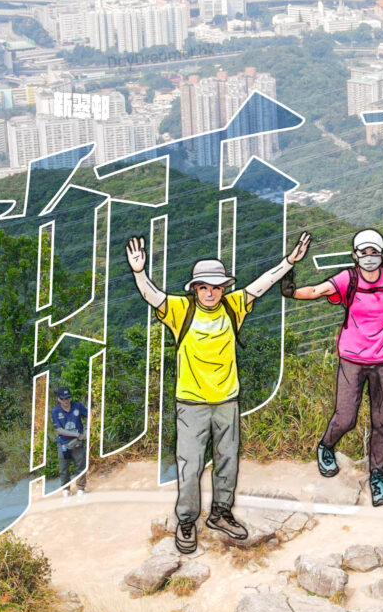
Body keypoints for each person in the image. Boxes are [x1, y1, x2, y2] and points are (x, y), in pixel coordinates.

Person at [127, 230, 311, 555]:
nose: (211, 293)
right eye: (204, 287)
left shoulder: (233, 305)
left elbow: (263, 283)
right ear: (194, 288)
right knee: (190, 466)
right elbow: (151, 296)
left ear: (223, 288)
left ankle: (221, 513)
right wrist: (139, 272)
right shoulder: (179, 310)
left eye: (216, 287)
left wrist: (289, 262)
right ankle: (187, 521)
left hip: (227, 400)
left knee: (227, 461)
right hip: (191, 404)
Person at [290, 227, 383, 506]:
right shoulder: (348, 278)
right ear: (355, 255)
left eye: (374, 252)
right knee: (346, 416)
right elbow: (316, 290)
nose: (369, 257)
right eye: (364, 252)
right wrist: (290, 289)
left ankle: (378, 477)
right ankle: (326, 445)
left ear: (382, 255)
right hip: (352, 359)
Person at [50, 382, 89, 490]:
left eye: (68, 398)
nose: (66, 401)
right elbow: (59, 430)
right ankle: (66, 490)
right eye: (63, 399)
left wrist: (86, 430)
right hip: (64, 443)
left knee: (80, 466)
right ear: (59, 399)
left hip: (78, 443)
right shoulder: (55, 411)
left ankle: (81, 488)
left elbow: (90, 415)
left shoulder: (78, 406)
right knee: (63, 469)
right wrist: (77, 434)